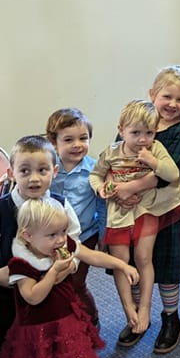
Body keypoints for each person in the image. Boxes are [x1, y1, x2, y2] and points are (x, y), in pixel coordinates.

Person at [0, 135, 102, 358]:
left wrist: (71, 264)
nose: (34, 178)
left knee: (69, 333)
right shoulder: (1, 208)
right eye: (25, 170)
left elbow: (75, 240)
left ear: (54, 172)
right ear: (11, 173)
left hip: (56, 290)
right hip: (12, 289)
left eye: (42, 170)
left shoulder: (59, 203)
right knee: (1, 335)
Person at [0, 199, 139, 358]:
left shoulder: (63, 246)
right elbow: (32, 296)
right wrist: (54, 272)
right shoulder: (20, 263)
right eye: (52, 235)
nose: (61, 239)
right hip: (36, 328)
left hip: (66, 322)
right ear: (28, 236)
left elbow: (92, 256)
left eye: (63, 231)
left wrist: (122, 265)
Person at [107, 68, 180, 353]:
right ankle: (135, 316)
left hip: (165, 209)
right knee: (134, 263)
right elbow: (114, 157)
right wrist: (112, 186)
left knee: (166, 266)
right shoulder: (137, 121)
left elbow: (166, 174)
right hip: (130, 211)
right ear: (152, 95)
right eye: (166, 96)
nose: (172, 104)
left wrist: (129, 188)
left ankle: (170, 318)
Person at [89, 100, 180, 343]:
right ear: (121, 130)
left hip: (146, 211)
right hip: (118, 214)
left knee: (143, 258)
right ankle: (129, 309)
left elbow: (172, 175)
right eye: (135, 133)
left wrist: (153, 161)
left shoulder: (157, 148)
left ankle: (146, 308)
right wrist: (101, 190)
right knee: (121, 262)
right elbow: (96, 175)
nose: (142, 139)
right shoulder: (111, 152)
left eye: (148, 133)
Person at [46, 108, 107, 325]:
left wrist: (103, 234)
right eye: (68, 139)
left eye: (83, 138)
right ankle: (66, 323)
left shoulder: (95, 170)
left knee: (76, 283)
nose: (77, 145)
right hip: (52, 238)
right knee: (56, 281)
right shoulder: (48, 168)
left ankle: (92, 321)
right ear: (54, 142)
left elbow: (103, 204)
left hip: (84, 235)